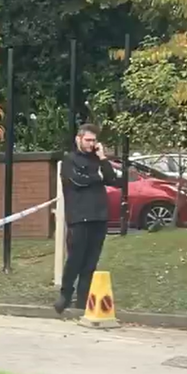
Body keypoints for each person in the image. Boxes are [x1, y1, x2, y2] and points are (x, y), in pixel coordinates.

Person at [54, 123, 119, 315]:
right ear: (78, 139)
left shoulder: (98, 160)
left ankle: (83, 300)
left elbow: (111, 179)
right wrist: (96, 177)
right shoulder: (69, 160)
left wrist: (102, 159)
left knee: (91, 261)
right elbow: (77, 180)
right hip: (79, 216)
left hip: (98, 216)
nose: (91, 144)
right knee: (75, 258)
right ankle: (65, 294)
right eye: (88, 140)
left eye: (94, 140)